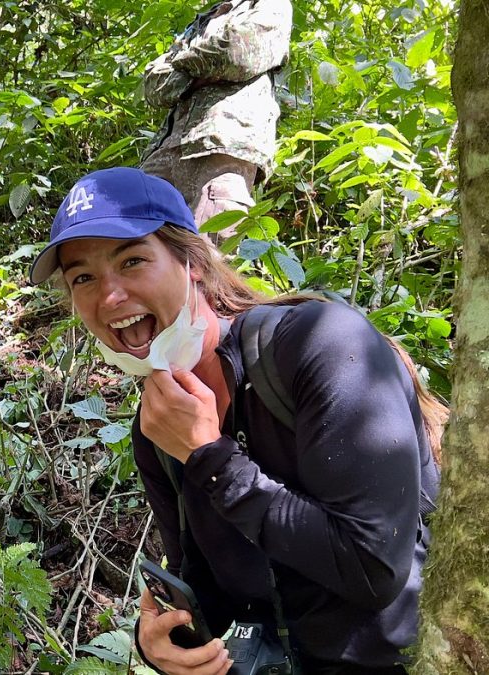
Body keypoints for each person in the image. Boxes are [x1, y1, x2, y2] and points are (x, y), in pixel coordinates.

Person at [29, 168, 443, 674]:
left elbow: (374, 568)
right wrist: (161, 640)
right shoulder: (156, 429)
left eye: (132, 260)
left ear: (193, 264)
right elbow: (204, 586)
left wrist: (210, 456)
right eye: (83, 278)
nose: (109, 295)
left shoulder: (320, 345)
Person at [139, 0, 292, 238]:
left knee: (210, 253)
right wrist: (203, 68)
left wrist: (179, 65)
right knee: (143, 243)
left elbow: (236, 53)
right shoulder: (202, 21)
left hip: (223, 142)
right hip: (165, 151)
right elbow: (153, 84)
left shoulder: (269, 5)